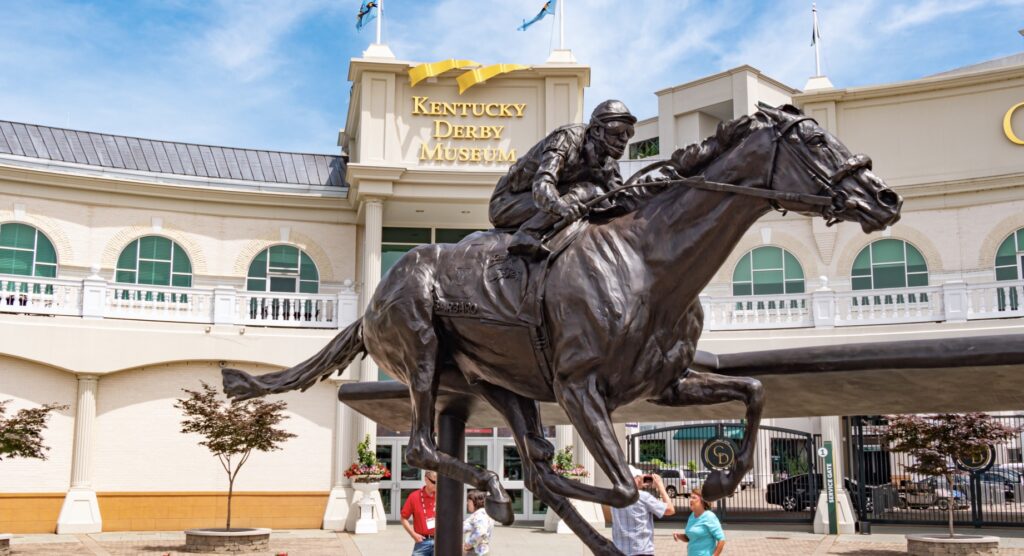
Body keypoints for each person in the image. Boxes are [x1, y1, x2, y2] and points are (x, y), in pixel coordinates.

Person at [488, 99, 637, 259]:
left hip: (545, 205)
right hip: (507, 203)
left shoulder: (609, 164)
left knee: (598, 198)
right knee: (587, 190)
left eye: (629, 132)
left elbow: (621, 200)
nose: (624, 139)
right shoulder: (566, 138)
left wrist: (651, 192)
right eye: (618, 131)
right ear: (595, 130)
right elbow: (542, 184)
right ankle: (527, 234)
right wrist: (561, 207)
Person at [611, 465, 676, 556]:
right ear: (634, 479)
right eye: (639, 477)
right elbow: (670, 509)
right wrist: (660, 486)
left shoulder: (614, 498)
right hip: (641, 551)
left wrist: (638, 485)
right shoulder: (643, 497)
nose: (642, 479)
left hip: (619, 550)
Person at [673, 487, 725, 556]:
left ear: (703, 501)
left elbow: (721, 539)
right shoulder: (692, 516)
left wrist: (714, 555)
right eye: (690, 497)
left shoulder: (709, 516)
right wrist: (679, 536)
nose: (690, 500)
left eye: (694, 498)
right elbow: (690, 537)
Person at [401, 470, 437, 556]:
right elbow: (403, 518)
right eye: (434, 482)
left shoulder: (443, 496)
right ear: (426, 479)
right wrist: (413, 534)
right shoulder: (414, 496)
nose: (437, 485)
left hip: (440, 542)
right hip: (422, 542)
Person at [463, 489, 494, 555]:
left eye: (469, 501)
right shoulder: (482, 513)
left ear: (476, 502)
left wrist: (469, 544)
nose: (467, 503)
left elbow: (480, 532)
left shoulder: (480, 515)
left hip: (476, 552)